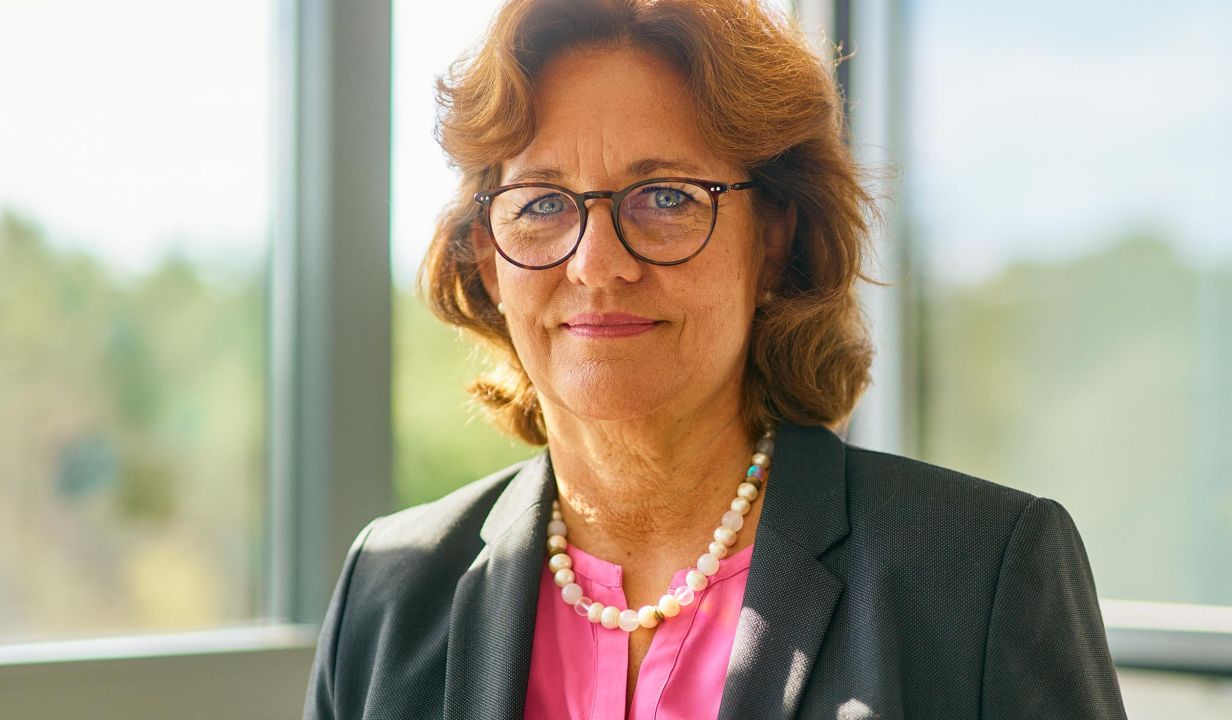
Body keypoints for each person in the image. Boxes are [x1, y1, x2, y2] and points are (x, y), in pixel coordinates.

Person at [304, 0, 1128, 718]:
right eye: (543, 203)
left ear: (774, 240)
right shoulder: (388, 587)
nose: (597, 263)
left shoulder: (981, 571)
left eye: (665, 197)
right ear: (486, 258)